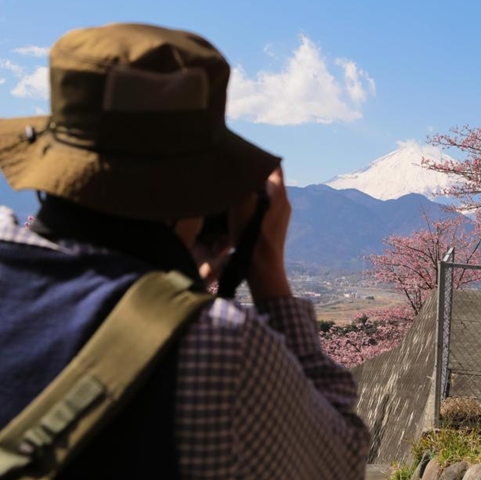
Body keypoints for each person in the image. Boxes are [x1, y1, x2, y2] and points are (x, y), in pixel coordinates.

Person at [0, 23, 369, 479]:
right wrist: (266, 266)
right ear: (196, 191)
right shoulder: (220, 348)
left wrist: (167, 289)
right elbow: (340, 462)